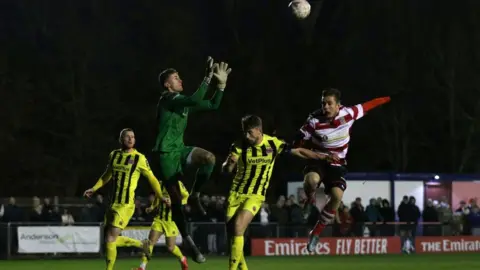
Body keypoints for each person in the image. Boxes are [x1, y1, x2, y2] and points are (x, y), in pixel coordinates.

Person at [222, 115, 335, 270]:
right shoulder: (239, 145)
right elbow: (226, 170)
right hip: (235, 193)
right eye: (244, 132)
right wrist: (228, 165)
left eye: (249, 132)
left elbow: (299, 152)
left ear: (258, 130)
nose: (246, 136)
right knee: (234, 237)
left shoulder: (272, 144)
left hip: (256, 195)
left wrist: (322, 156)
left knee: (238, 226)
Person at [153, 58, 232, 263]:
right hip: (165, 156)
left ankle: (196, 194)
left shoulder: (183, 103)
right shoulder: (168, 99)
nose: (180, 80)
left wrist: (221, 86)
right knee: (176, 202)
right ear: (167, 84)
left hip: (179, 150)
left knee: (209, 158)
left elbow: (213, 104)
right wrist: (207, 78)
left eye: (179, 76)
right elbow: (197, 99)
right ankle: (189, 242)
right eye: (176, 78)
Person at [293, 88, 391, 251]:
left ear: (338, 105)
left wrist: (389, 98)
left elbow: (369, 105)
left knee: (337, 196)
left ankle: (316, 232)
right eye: (323, 103)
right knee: (312, 180)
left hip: (337, 163)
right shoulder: (314, 120)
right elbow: (298, 140)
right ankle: (310, 199)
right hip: (319, 158)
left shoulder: (349, 113)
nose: (326, 107)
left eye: (329, 103)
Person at [83, 128, 163, 270]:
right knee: (108, 240)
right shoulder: (114, 155)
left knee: (110, 238)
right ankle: (141, 244)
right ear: (121, 140)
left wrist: (160, 196)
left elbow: (152, 178)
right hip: (112, 203)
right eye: (127, 137)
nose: (130, 139)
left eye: (133, 137)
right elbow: (106, 175)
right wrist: (94, 188)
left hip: (126, 205)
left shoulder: (139, 158)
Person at [134, 181, 190, 270]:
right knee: (150, 242)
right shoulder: (160, 183)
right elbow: (157, 197)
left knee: (170, 248)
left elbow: (186, 196)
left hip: (171, 221)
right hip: (159, 219)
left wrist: (174, 204)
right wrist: (152, 207)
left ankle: (182, 259)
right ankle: (142, 267)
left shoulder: (178, 184)